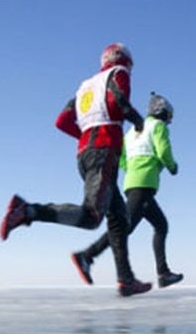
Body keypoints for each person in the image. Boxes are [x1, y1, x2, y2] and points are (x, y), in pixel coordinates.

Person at [0, 43, 151, 297]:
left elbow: (62, 121)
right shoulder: (118, 73)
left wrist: (86, 137)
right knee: (92, 217)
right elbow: (117, 100)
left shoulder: (85, 87)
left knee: (119, 218)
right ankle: (27, 211)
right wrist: (136, 119)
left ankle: (125, 280)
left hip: (86, 153)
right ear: (123, 60)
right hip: (103, 152)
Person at [71, 93, 183, 289]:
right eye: (169, 117)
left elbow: (122, 158)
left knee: (160, 225)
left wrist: (132, 170)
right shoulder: (158, 126)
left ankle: (163, 273)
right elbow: (163, 150)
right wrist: (172, 166)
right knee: (123, 229)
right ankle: (87, 256)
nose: (169, 121)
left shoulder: (131, 131)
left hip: (132, 183)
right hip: (144, 184)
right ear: (162, 113)